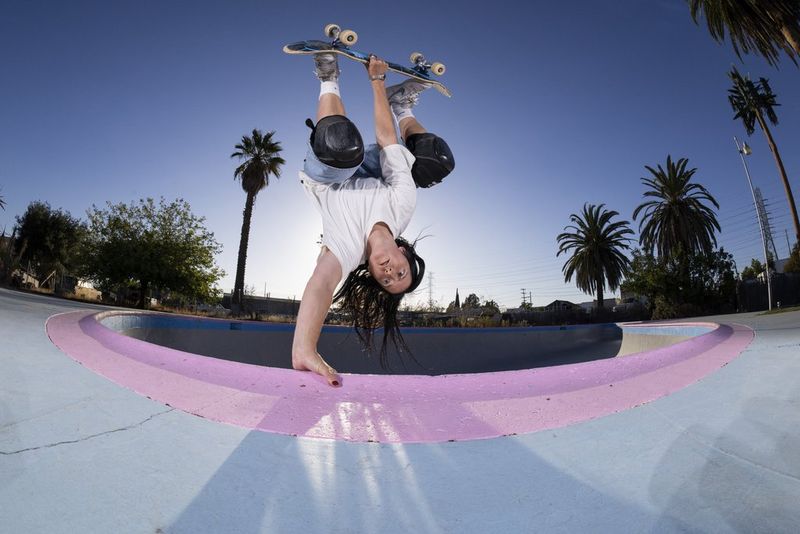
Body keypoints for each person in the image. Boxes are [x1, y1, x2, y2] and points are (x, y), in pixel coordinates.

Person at [291, 51, 455, 386]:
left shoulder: (347, 251)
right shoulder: (402, 207)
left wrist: (304, 348)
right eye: (400, 272)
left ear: (372, 274)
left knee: (342, 148)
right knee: (436, 161)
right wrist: (378, 83)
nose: (389, 272)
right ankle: (402, 105)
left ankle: (328, 78)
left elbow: (321, 284)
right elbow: (386, 140)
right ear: (404, 253)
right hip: (371, 169)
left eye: (386, 280)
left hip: (327, 175)